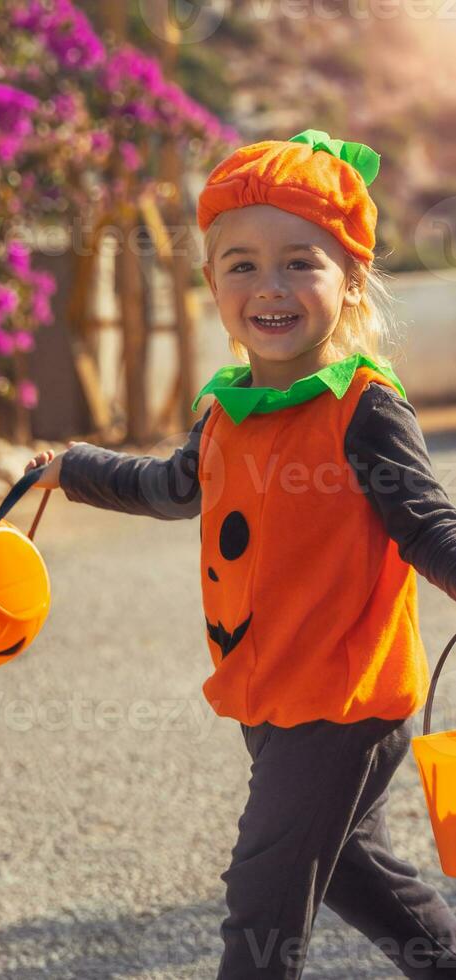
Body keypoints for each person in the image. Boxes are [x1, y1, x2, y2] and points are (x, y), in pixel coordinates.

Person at [23, 129, 456, 978]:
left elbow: (426, 527)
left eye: (302, 262)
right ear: (212, 283)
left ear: (353, 279)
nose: (271, 286)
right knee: (356, 872)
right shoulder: (227, 408)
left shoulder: (360, 408)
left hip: (341, 701)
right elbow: (173, 487)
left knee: (260, 893)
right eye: (242, 264)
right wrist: (73, 469)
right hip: (267, 694)